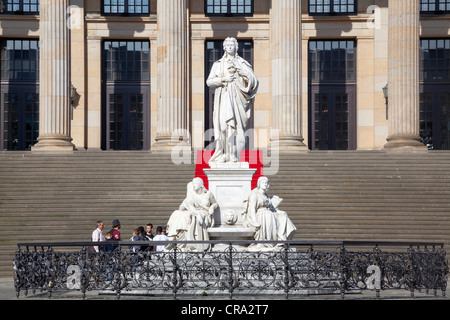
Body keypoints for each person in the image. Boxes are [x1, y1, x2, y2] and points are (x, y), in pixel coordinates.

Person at [206, 37, 259, 164]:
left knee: (236, 128)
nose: (230, 46)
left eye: (232, 44)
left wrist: (242, 72)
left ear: (236, 47)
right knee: (224, 127)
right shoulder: (218, 64)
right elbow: (209, 82)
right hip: (224, 97)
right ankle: (224, 152)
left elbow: (254, 81)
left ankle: (233, 154)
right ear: (224, 47)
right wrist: (223, 80)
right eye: (227, 44)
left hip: (237, 98)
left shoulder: (242, 63)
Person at [242, 176, 297, 249]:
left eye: (266, 183)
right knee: (268, 215)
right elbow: (252, 208)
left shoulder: (265, 195)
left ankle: (281, 242)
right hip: (261, 215)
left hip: (269, 213)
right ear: (259, 184)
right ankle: (266, 242)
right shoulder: (255, 194)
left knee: (283, 217)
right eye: (263, 182)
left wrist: (278, 211)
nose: (265, 184)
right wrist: (255, 221)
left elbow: (270, 208)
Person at [166, 177, 218, 251]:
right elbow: (182, 208)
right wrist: (188, 206)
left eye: (195, 184)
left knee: (190, 216)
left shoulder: (208, 194)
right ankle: (179, 241)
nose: (194, 186)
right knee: (177, 213)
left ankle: (188, 243)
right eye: (193, 184)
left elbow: (215, 203)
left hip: (205, 213)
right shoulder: (191, 195)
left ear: (200, 184)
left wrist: (212, 207)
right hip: (195, 213)